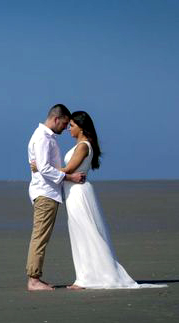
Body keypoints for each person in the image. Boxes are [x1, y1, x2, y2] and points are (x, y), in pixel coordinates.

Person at [33, 111, 166, 289]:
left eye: (71, 126)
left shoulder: (83, 146)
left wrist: (42, 166)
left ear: (81, 128)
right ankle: (84, 276)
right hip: (73, 193)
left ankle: (86, 278)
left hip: (79, 193)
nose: (68, 129)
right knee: (79, 234)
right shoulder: (80, 145)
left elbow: (69, 169)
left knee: (86, 232)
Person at [25, 104, 86, 291]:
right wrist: (70, 177)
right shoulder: (42, 137)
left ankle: (35, 277)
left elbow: (39, 165)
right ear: (56, 119)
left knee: (42, 235)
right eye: (65, 123)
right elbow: (43, 168)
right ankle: (33, 279)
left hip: (47, 192)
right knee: (40, 236)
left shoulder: (44, 136)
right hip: (45, 193)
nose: (66, 128)